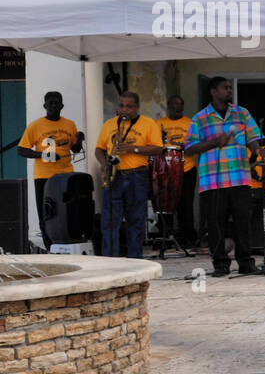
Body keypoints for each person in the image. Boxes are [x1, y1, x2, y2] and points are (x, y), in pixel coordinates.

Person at [184, 77, 265, 277]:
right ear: (213, 91)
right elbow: (189, 148)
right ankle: (220, 264)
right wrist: (213, 142)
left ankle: (246, 263)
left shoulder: (241, 113)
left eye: (230, 87)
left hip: (239, 177)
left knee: (243, 222)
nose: (229, 90)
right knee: (215, 223)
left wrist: (258, 148)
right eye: (225, 87)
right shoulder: (199, 118)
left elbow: (253, 137)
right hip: (213, 180)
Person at [94, 91, 163, 258]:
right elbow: (99, 149)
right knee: (109, 223)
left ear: (137, 107)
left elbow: (158, 148)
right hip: (113, 176)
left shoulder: (148, 123)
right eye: (121, 105)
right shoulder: (109, 124)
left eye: (129, 106)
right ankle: (110, 264)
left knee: (136, 222)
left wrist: (133, 149)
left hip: (136, 176)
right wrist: (104, 164)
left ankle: (135, 262)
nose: (124, 109)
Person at [17, 91, 85, 248]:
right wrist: (43, 154)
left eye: (57, 103)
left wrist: (79, 138)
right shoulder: (36, 126)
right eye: (51, 103)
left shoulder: (70, 124)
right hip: (44, 176)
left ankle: (66, 243)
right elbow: (21, 149)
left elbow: (75, 149)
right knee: (47, 212)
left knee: (67, 210)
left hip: (66, 174)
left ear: (62, 106)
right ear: (44, 106)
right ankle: (50, 246)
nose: (54, 106)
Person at [157, 96, 198, 247]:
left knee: (185, 205)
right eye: (174, 105)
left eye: (180, 105)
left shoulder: (190, 123)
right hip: (166, 169)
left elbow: (196, 143)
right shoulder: (159, 123)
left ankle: (187, 238)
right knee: (166, 203)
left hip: (187, 169)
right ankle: (166, 237)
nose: (177, 107)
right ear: (168, 106)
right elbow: (154, 144)